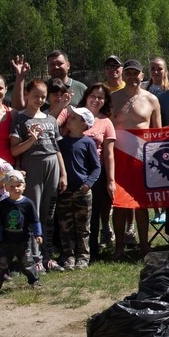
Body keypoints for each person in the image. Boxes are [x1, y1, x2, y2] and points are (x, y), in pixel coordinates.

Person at [9, 78, 66, 272]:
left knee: (48, 213)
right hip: (32, 164)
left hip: (52, 165)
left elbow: (57, 148)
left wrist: (63, 173)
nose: (39, 100)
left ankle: (48, 255)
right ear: (27, 94)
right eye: (36, 96)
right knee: (33, 212)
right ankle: (34, 258)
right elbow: (15, 150)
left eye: (43, 96)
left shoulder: (50, 119)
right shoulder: (19, 118)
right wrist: (31, 140)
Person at [109, 60, 162, 258]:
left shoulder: (151, 100)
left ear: (142, 75)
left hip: (142, 158)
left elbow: (157, 133)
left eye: (136, 73)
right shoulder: (112, 98)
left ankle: (144, 244)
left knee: (142, 204)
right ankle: (119, 246)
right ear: (123, 75)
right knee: (120, 203)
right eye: (128, 73)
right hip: (119, 156)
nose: (132, 76)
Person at [57, 106, 101, 270]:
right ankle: (68, 256)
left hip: (82, 191)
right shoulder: (61, 142)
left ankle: (83, 257)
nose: (70, 119)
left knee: (83, 227)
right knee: (65, 226)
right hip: (64, 191)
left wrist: (88, 184)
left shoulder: (88, 142)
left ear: (84, 124)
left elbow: (96, 167)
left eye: (75, 118)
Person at [80, 84, 117, 260]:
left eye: (100, 97)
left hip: (96, 173)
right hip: (75, 170)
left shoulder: (106, 122)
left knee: (93, 213)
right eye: (93, 96)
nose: (96, 100)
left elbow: (109, 153)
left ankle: (92, 250)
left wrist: (110, 180)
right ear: (86, 96)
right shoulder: (74, 115)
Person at [0, 170, 42, 293]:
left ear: (24, 186)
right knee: (1, 264)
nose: (16, 189)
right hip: (6, 242)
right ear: (6, 187)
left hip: (23, 241)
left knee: (27, 264)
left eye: (18, 185)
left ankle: (34, 280)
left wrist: (38, 234)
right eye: (12, 186)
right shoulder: (3, 204)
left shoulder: (28, 203)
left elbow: (35, 221)